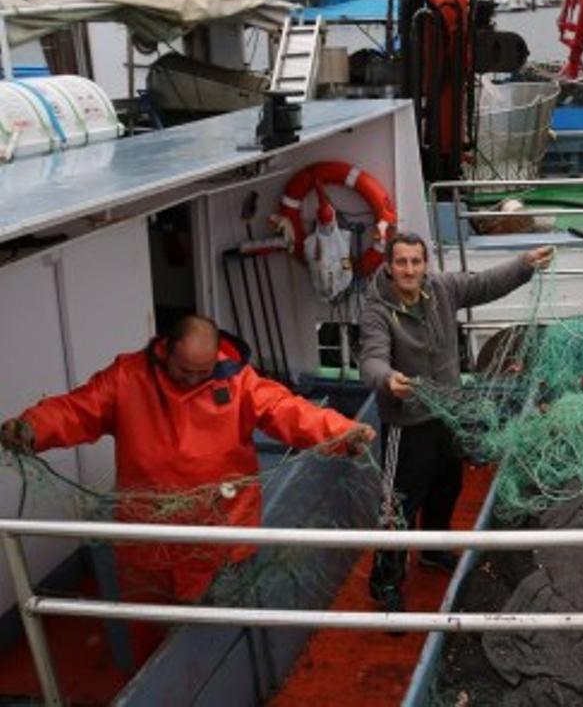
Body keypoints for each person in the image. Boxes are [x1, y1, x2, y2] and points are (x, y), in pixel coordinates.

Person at [0, 315, 375, 607]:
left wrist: (343, 433)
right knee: (149, 626)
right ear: (165, 350)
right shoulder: (126, 378)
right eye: (184, 371)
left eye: (203, 372)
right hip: (148, 540)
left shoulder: (240, 382)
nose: (193, 380)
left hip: (222, 539)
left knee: (221, 628)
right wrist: (33, 428)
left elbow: (288, 411)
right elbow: (77, 409)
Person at [359, 232, 552, 611]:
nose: (409, 270)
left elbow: (485, 284)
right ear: (389, 266)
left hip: (449, 414)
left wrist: (524, 264)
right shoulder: (377, 311)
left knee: (447, 486)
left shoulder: (443, 288)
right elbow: (371, 359)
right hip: (407, 424)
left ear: (425, 264)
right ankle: (385, 581)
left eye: (416, 261)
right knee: (397, 505)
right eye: (402, 262)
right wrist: (388, 379)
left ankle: (432, 550)